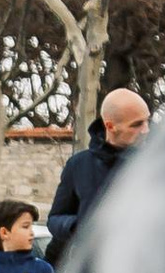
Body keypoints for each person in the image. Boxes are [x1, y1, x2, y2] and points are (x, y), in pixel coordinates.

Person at [45, 88, 151, 259]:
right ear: (110, 126)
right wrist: (77, 226)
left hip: (144, 269)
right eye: (137, 124)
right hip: (94, 269)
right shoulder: (79, 165)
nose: (146, 130)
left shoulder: (157, 162)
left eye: (147, 121)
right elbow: (55, 219)